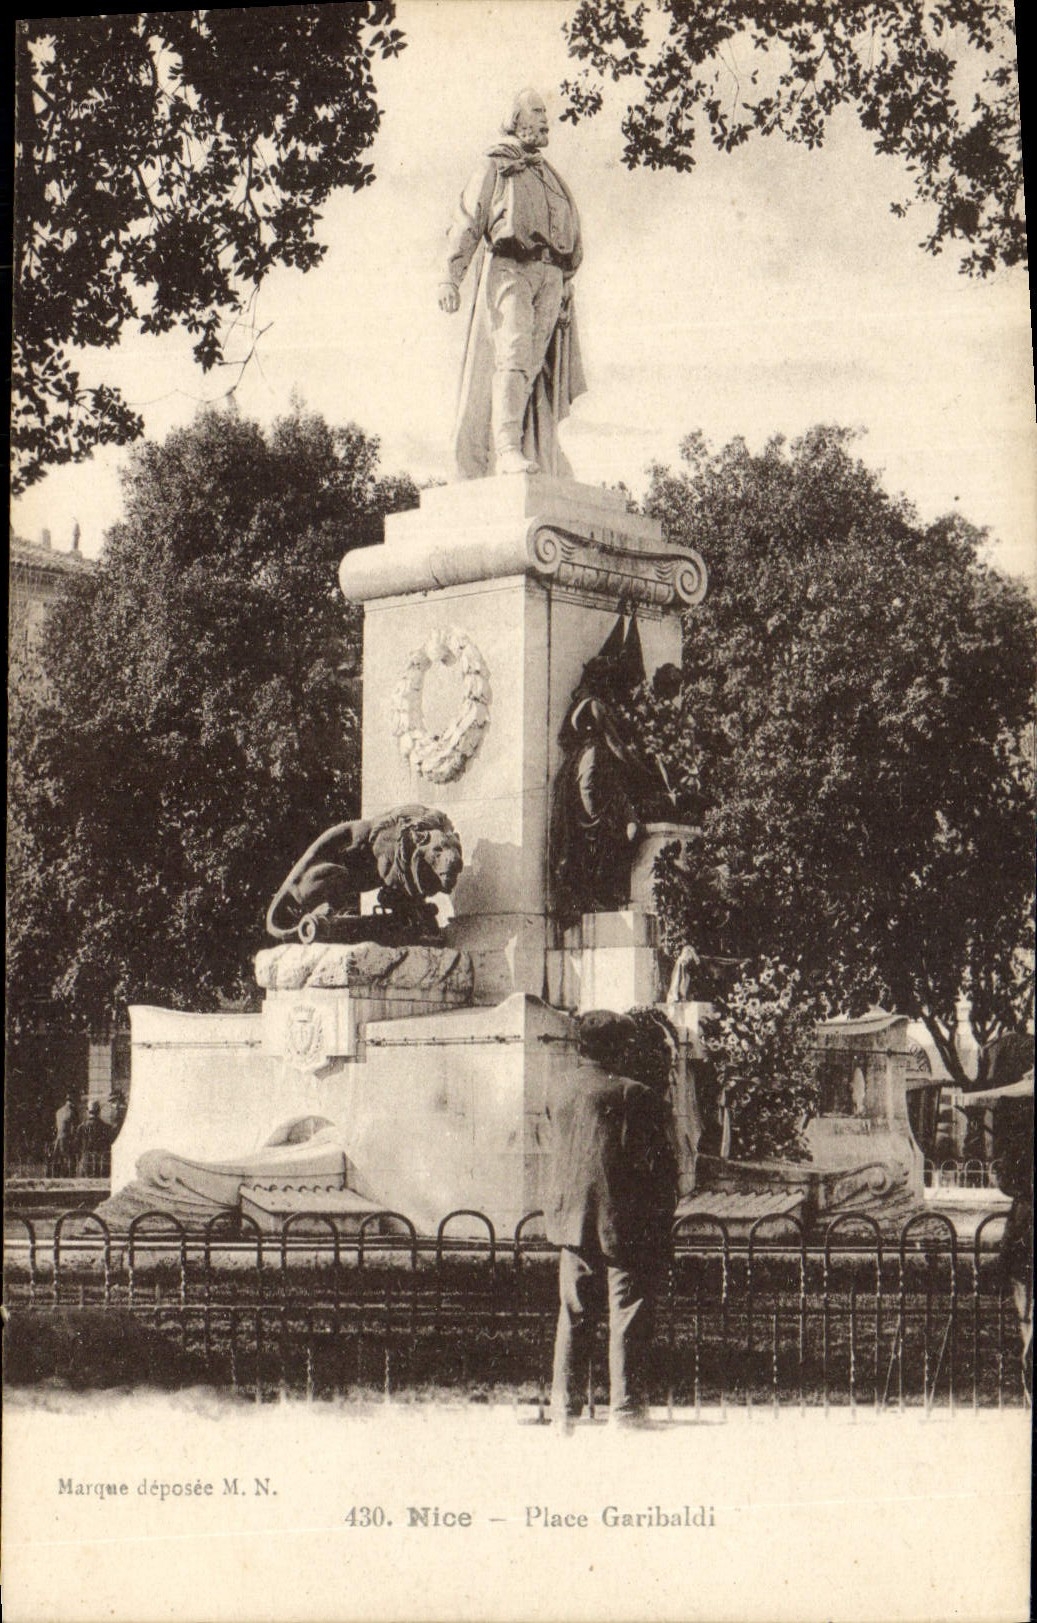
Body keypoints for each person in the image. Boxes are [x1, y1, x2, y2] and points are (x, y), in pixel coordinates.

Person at [439, 88, 585, 478]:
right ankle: (504, 448)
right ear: (517, 119)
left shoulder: (549, 176)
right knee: (514, 351)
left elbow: (566, 231)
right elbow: (470, 217)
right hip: (511, 266)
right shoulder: (496, 163)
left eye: (544, 112)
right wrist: (450, 276)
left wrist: (566, 281)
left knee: (534, 365)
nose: (544, 118)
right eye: (536, 111)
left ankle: (528, 444)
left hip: (551, 276)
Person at [545, 1009, 678, 1429]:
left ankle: (564, 1410)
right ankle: (626, 1411)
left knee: (575, 1312)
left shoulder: (558, 1091)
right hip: (625, 1220)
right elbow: (655, 1163)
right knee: (628, 1313)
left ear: (582, 1047)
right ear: (620, 1048)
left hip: (570, 1219)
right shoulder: (633, 1094)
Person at [75, 1100, 114, 1177]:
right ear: (99, 1111)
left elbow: (77, 1145)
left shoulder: (81, 1127)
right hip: (101, 1163)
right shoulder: (106, 1127)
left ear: (87, 1111)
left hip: (85, 1162)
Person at [52, 1094, 79, 1176]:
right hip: (67, 1139)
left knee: (58, 1160)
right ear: (73, 1100)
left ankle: (57, 1176)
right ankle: (69, 1176)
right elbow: (74, 1128)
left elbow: (57, 1126)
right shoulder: (72, 1111)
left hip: (58, 1138)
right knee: (70, 1159)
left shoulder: (59, 1111)